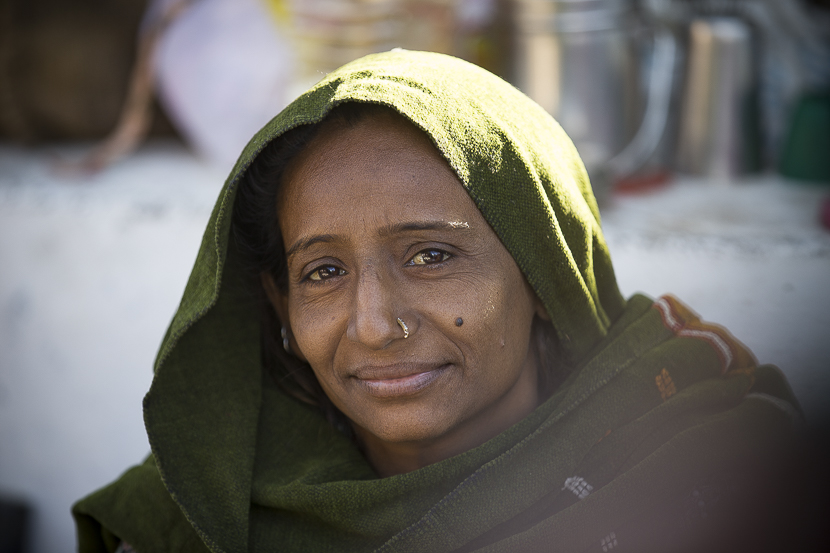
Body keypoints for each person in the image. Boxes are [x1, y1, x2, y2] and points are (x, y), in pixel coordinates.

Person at [73, 50, 803, 552]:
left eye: (431, 255)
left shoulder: (716, 470)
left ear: (541, 276)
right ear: (279, 303)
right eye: (323, 271)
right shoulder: (209, 507)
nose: (373, 324)